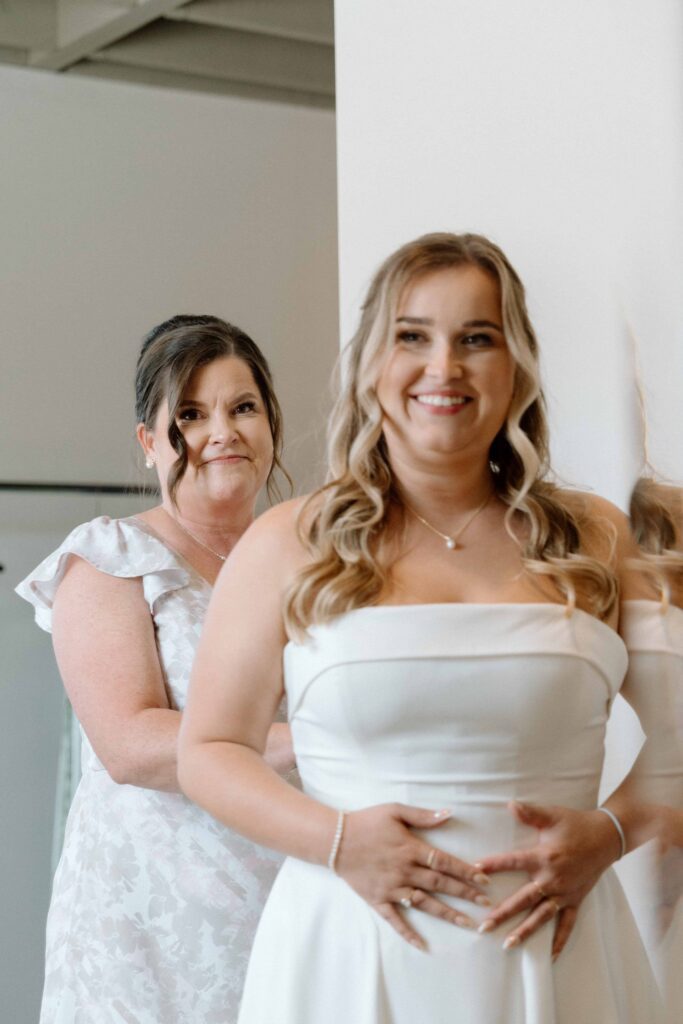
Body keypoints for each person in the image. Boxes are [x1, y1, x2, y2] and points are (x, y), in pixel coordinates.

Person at [179, 236, 663, 1023]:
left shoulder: (596, 538)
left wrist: (610, 832)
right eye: (412, 336)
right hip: (347, 954)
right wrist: (338, 842)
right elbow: (208, 752)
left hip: (557, 958)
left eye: (477, 338)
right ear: (372, 361)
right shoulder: (286, 542)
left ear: (517, 367)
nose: (444, 367)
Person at [16, 315, 295, 1023]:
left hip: (290, 886)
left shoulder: (315, 563)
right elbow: (129, 744)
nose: (223, 432)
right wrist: (311, 742)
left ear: (271, 423)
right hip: (154, 918)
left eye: (243, 408)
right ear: (149, 442)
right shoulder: (113, 557)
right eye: (192, 415)